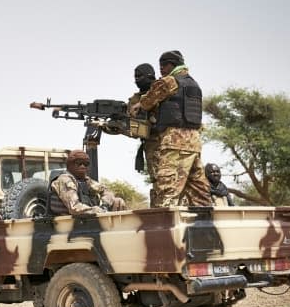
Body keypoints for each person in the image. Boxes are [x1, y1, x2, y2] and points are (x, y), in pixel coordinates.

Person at [130, 50, 211, 207]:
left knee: (166, 189)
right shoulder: (193, 83)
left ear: (171, 65)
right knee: (199, 191)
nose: (161, 69)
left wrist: (138, 104)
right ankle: (206, 225)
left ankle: (164, 227)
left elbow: (148, 102)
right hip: (194, 143)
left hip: (175, 141)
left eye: (163, 66)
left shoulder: (170, 81)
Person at [50, 149, 127, 215]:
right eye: (79, 163)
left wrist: (105, 205)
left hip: (84, 219)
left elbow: (106, 190)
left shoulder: (85, 180)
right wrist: (97, 210)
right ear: (70, 165)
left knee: (118, 201)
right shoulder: (64, 179)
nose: (83, 166)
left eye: (86, 164)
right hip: (67, 220)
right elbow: (75, 208)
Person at [129, 63, 159, 204]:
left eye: (140, 76)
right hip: (152, 145)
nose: (137, 80)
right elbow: (133, 128)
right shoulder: (136, 99)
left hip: (168, 142)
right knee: (159, 181)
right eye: (135, 77)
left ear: (150, 76)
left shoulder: (161, 91)